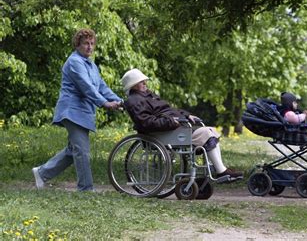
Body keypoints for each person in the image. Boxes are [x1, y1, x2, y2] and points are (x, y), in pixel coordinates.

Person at [32, 28, 122, 191]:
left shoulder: (91, 65)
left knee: (72, 150)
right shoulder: (74, 62)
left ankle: (42, 172)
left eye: (92, 44)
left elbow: (101, 86)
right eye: (86, 43)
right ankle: (85, 189)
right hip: (72, 111)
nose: (89, 47)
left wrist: (117, 100)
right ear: (77, 45)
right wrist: (104, 103)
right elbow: (86, 87)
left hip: (83, 112)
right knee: (82, 151)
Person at [120, 68, 243, 181]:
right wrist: (171, 122)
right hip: (162, 133)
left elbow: (168, 110)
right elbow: (146, 122)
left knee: (211, 131)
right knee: (206, 133)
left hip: (172, 129)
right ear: (134, 85)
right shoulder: (135, 101)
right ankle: (221, 171)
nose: (145, 84)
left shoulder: (148, 96)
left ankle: (220, 169)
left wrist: (186, 115)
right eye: (142, 82)